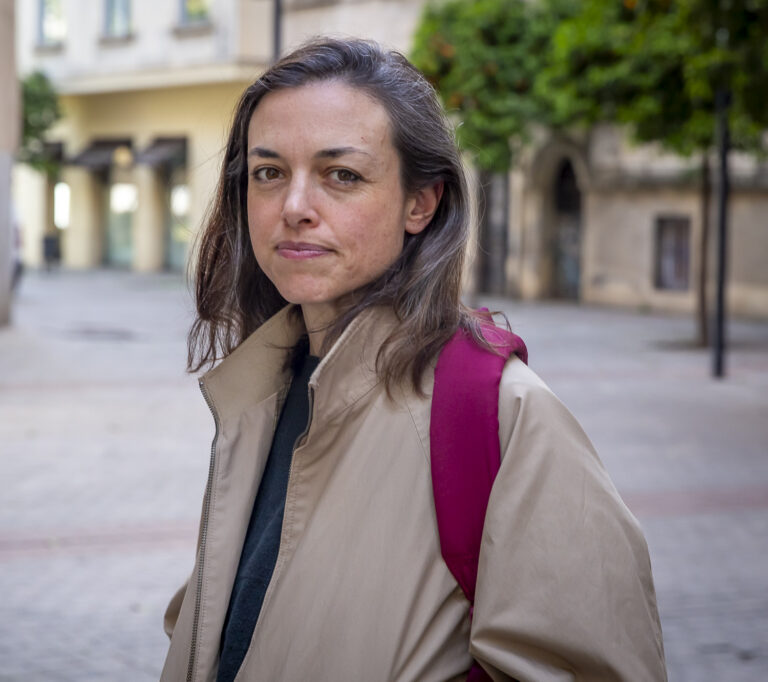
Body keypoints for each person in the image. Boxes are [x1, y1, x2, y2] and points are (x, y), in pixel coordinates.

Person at [160, 38, 666, 682]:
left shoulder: (507, 414)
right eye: (269, 173)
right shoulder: (259, 392)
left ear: (420, 203)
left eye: (342, 175)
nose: (293, 207)